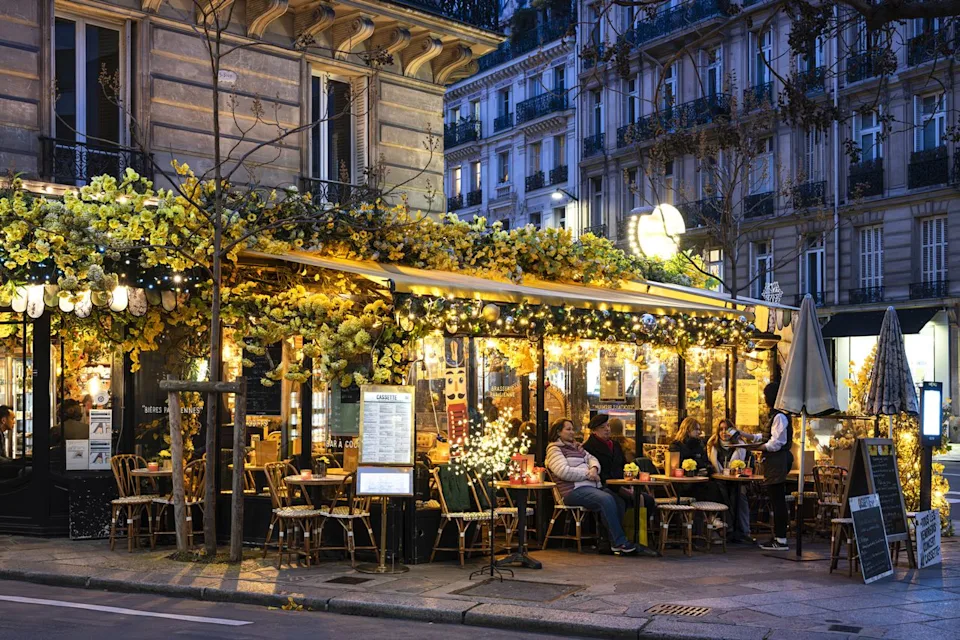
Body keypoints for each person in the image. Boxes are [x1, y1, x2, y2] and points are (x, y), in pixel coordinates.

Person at [545, 417, 646, 556]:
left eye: (572, 429)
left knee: (618, 500)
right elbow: (563, 472)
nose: (572, 432)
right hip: (572, 491)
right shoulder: (555, 450)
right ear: (558, 432)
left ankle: (609, 542)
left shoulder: (577, 448)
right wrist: (588, 474)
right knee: (606, 499)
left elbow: (593, 459)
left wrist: (593, 469)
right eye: (568, 429)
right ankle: (619, 542)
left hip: (590, 487)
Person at [583, 415, 658, 553]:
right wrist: (622, 489)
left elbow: (624, 465)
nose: (607, 429)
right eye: (603, 427)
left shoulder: (615, 445)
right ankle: (612, 540)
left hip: (621, 484)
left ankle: (638, 536)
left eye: (608, 426)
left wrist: (629, 482)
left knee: (648, 500)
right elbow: (601, 474)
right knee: (618, 502)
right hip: (605, 486)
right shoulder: (588, 448)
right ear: (594, 431)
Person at [747, 381, 794, 551]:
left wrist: (755, 447)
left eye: (766, 396)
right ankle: (779, 537)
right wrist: (749, 437)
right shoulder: (777, 415)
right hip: (775, 461)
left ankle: (781, 539)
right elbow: (767, 436)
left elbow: (776, 443)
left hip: (777, 461)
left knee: (778, 500)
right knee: (776, 499)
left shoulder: (780, 416)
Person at [706, 419, 753, 543]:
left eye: (726, 429)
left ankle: (744, 531)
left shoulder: (741, 447)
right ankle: (729, 528)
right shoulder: (713, 446)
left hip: (738, 481)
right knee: (722, 493)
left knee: (740, 496)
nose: (724, 432)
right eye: (721, 429)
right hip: (718, 481)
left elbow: (749, 465)